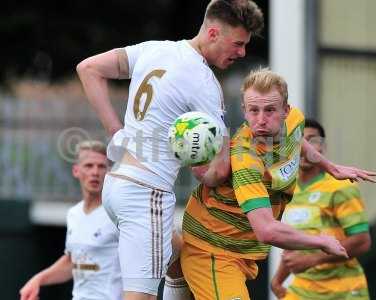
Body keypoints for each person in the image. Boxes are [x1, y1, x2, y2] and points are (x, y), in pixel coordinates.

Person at [76, 1, 265, 299]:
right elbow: (216, 172)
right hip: (146, 193)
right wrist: (216, 163)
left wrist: (116, 132)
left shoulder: (155, 48)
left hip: (116, 186)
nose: (242, 52)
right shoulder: (203, 82)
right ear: (214, 33)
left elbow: (87, 68)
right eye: (238, 44)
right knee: (141, 296)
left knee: (180, 255)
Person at [178, 68, 376, 300]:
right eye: (254, 110)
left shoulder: (295, 121)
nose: (261, 120)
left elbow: (297, 139)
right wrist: (320, 242)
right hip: (211, 249)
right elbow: (267, 231)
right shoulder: (246, 159)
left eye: (270, 110)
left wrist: (331, 167)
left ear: (286, 111)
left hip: (242, 249)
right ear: (244, 111)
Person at [271, 119, 371, 300]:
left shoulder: (340, 187)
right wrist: (277, 280)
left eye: (312, 140)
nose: (305, 146)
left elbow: (362, 241)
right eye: (300, 140)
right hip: (303, 291)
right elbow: (293, 243)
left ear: (322, 148)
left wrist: (313, 259)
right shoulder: (286, 190)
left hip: (343, 292)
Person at [19, 140, 122, 300]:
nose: (95, 172)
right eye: (89, 166)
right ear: (76, 171)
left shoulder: (118, 213)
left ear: (108, 172)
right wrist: (38, 280)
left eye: (101, 166)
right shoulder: (74, 214)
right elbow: (72, 261)